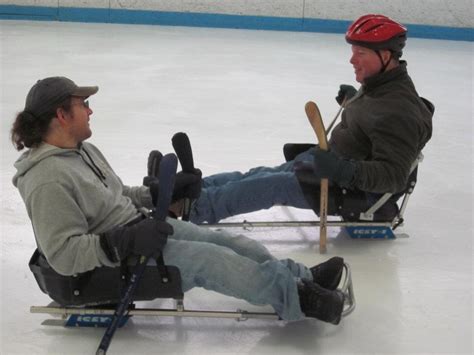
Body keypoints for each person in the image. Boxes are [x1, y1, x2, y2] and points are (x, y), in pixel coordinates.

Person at [12, 76, 349, 324]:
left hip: (141, 230)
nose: (90, 110)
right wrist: (123, 242)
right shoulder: (47, 180)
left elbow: (115, 195)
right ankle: (300, 297)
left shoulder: (81, 150)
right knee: (209, 259)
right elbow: (63, 256)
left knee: (230, 243)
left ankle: (300, 276)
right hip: (121, 259)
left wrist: (159, 192)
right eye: (82, 104)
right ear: (61, 114)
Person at [188, 14, 434, 225]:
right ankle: (188, 190)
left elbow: (393, 175)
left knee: (271, 185)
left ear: (386, 55)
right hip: (331, 161)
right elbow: (373, 119)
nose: (352, 60)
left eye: (360, 53)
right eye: (352, 52)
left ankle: (192, 209)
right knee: (258, 174)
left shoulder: (397, 111)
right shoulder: (381, 85)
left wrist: (342, 170)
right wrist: (353, 102)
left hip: (348, 186)